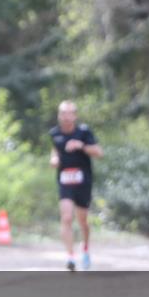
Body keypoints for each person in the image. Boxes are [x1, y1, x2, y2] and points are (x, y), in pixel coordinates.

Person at [48, 101, 103, 271]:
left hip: (83, 181)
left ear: (75, 115)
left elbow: (99, 153)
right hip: (65, 180)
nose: (66, 117)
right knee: (66, 217)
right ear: (59, 115)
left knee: (82, 221)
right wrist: (54, 159)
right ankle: (70, 256)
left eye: (69, 113)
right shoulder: (55, 134)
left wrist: (81, 146)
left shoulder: (84, 132)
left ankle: (85, 249)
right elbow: (55, 150)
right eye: (62, 113)